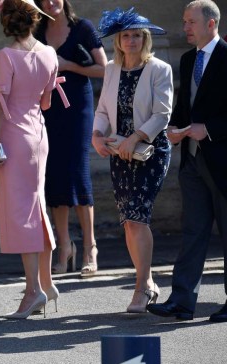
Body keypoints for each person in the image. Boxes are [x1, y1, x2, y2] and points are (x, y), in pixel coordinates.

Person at [147, 0, 227, 322]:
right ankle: (182, 302)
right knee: (193, 232)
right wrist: (173, 129)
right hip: (192, 162)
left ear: (211, 23)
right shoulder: (187, 58)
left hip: (221, 161)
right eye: (184, 22)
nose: (185, 28)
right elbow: (185, 107)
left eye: (191, 22)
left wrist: (206, 129)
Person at [0, 0, 64, 319]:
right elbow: (46, 102)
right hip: (38, 136)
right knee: (36, 208)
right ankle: (46, 283)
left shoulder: (6, 56)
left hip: (15, 140)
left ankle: (34, 291)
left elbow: (0, 112)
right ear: (34, 21)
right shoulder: (49, 53)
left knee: (22, 215)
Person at [92, 7, 173, 313]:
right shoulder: (112, 69)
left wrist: (135, 138)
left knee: (138, 216)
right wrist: (97, 136)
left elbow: (162, 114)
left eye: (137, 35)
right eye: (126, 35)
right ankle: (149, 282)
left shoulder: (159, 69)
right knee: (128, 222)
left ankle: (141, 287)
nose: (131, 40)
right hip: (119, 152)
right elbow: (102, 110)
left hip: (149, 150)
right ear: (118, 40)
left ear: (145, 38)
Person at [34, 0, 107, 277]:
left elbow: (104, 68)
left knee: (77, 171)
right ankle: (64, 246)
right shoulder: (37, 31)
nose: (51, 2)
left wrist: (67, 65)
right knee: (54, 174)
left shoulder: (82, 28)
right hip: (48, 107)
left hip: (78, 106)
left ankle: (90, 247)